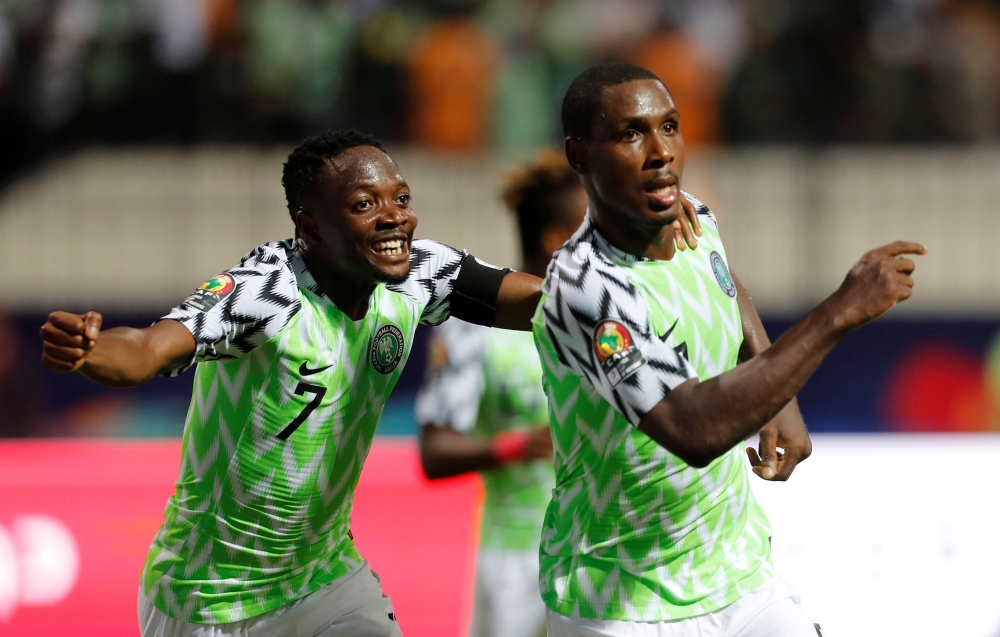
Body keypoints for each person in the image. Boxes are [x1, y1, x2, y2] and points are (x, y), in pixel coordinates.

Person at [37, 129, 547, 637]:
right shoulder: (266, 290)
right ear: (311, 226)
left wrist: (614, 301)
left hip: (324, 578)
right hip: (211, 594)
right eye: (365, 203)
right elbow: (148, 349)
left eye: (402, 198)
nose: (395, 216)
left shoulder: (419, 274)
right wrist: (89, 350)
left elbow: (537, 303)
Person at [533, 63, 925, 636]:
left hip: (736, 574)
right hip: (619, 599)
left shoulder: (693, 218)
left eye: (669, 127)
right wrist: (838, 312)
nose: (659, 151)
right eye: (630, 134)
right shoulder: (586, 286)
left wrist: (780, 404)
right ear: (579, 156)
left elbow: (726, 284)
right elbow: (692, 429)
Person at [415, 149, 586, 637]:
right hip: (517, 559)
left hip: (602, 552)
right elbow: (434, 452)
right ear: (558, 239)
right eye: (592, 227)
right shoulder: (474, 329)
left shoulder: (614, 316)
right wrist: (518, 445)